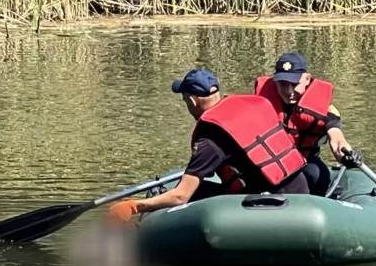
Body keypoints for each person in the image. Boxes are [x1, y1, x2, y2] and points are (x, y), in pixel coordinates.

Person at [108, 68, 310, 223]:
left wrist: (135, 206)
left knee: (189, 192)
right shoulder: (252, 106)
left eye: (185, 100)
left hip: (267, 206)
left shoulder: (211, 140)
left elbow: (181, 196)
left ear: (193, 101)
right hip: (301, 192)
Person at [254, 52, 362, 196]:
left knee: (317, 176)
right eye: (283, 84)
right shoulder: (261, 103)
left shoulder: (324, 108)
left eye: (294, 84)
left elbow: (336, 139)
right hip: (270, 161)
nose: (289, 91)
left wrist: (347, 155)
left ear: (307, 79)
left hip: (304, 160)